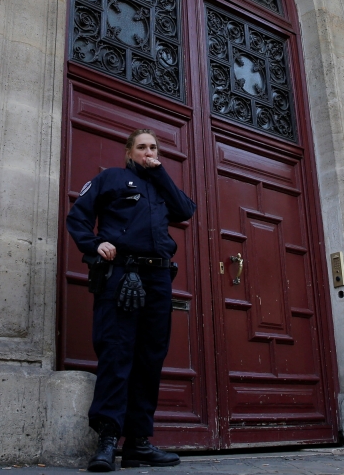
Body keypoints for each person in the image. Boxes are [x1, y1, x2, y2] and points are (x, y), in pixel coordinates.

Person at [66, 129, 196, 471]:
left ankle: (138, 443)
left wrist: (160, 172)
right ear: (128, 152)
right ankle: (107, 441)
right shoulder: (111, 179)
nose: (148, 152)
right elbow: (78, 216)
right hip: (121, 274)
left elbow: (185, 210)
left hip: (157, 280)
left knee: (150, 358)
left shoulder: (161, 185)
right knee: (117, 353)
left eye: (153, 147)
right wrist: (93, 245)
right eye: (141, 147)